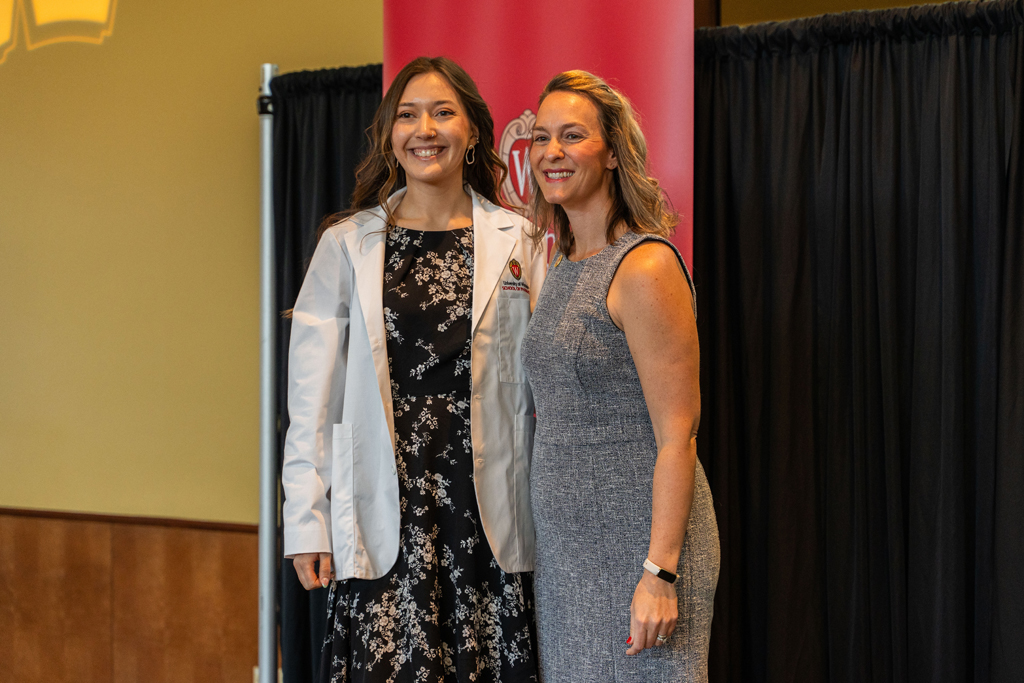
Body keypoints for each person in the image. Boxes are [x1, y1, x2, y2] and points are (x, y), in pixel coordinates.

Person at [281, 56, 545, 683]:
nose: (425, 129)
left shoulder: (523, 240)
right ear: (389, 136)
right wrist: (305, 520)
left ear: (474, 131)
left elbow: (548, 385)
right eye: (407, 115)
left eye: (443, 112)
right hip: (384, 504)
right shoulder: (347, 243)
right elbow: (311, 401)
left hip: (488, 513)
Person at [521, 70, 720, 682]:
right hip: (568, 552)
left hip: (642, 549)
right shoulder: (558, 263)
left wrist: (660, 572)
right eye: (541, 137)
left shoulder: (644, 264)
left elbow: (677, 433)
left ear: (611, 152)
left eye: (573, 135)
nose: (552, 152)